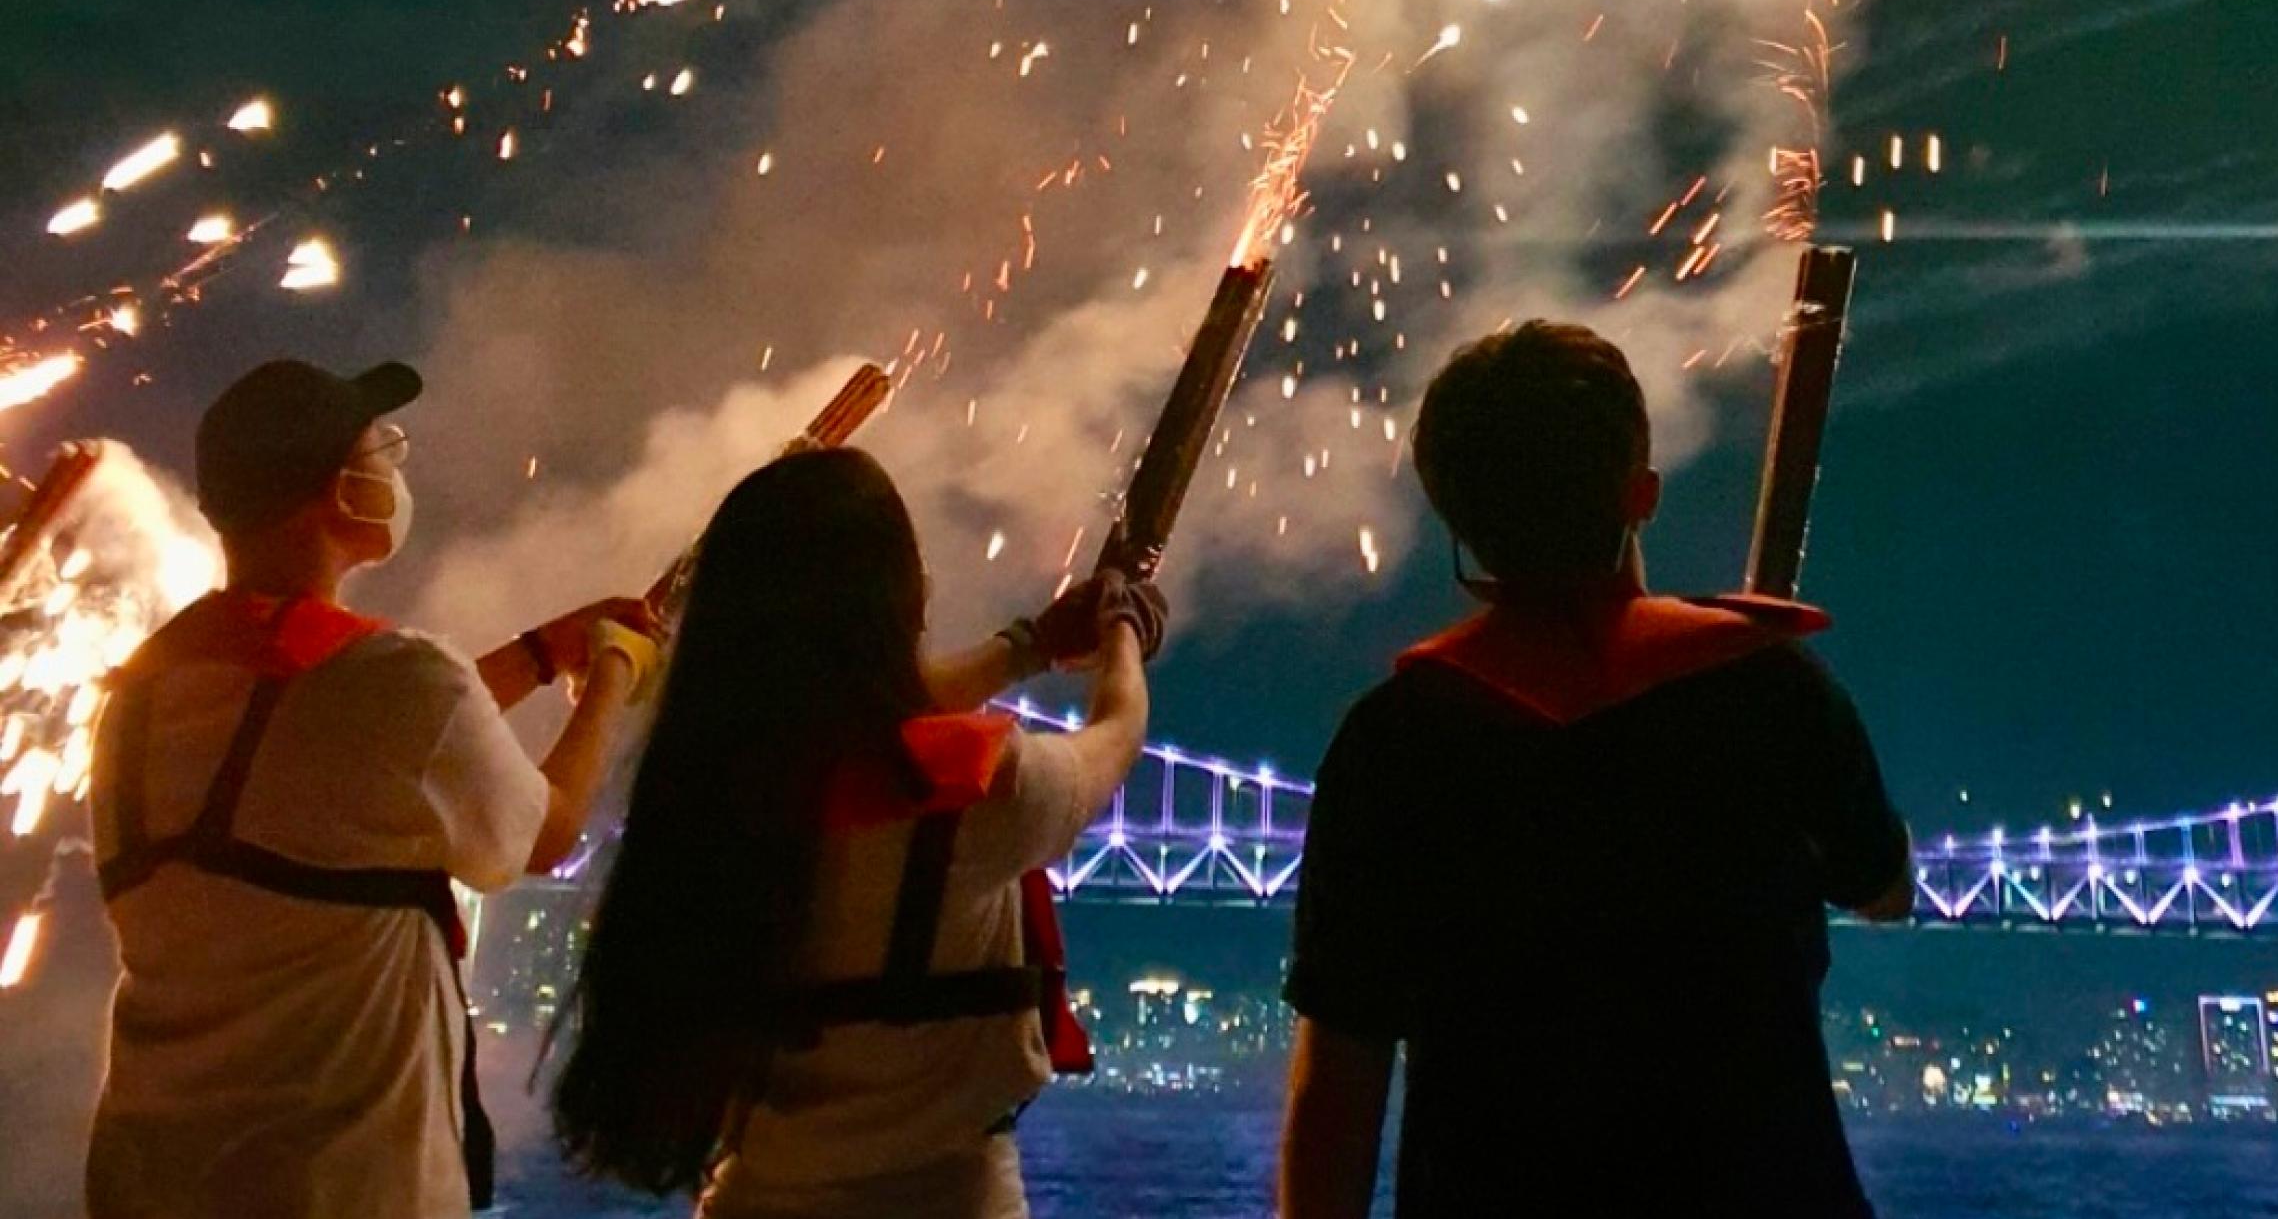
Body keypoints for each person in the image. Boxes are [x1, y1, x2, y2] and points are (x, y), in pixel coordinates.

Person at [1279, 321, 1912, 1219]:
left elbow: (1340, 1077)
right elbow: (1885, 889)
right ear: (1640, 493)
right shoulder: (1770, 688)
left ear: (1456, 516)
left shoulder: (1394, 739)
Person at [86, 357, 664, 1219]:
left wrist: (546, 652)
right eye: (377, 450)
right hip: (342, 1186)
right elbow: (545, 833)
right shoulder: (396, 684)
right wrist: (618, 665)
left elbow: (351, 751)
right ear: (336, 490)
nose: (393, 467)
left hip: (150, 1182)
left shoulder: (134, 705)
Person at [550, 446, 1166, 1219]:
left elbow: (838, 714)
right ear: (901, 601)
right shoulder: (980, 787)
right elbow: (1115, 735)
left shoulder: (706, 801)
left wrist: (1031, 643)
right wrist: (1123, 631)